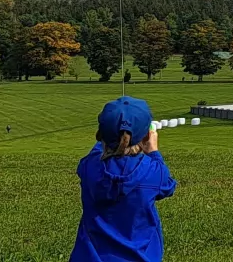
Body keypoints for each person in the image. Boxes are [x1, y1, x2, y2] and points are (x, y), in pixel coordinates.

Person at [73, 96, 178, 262]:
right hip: (140, 257)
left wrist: (110, 135)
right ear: (146, 136)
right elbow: (168, 186)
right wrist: (154, 151)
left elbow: (97, 151)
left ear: (102, 135)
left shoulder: (89, 167)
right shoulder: (153, 171)